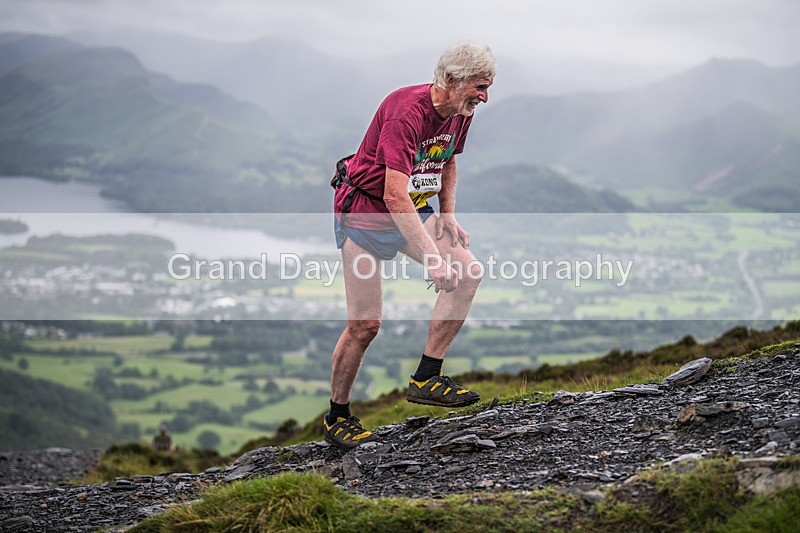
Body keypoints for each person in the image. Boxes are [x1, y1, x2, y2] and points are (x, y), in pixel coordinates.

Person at [324, 42, 496, 449]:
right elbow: (392, 194)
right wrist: (433, 257)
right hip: (365, 212)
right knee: (365, 326)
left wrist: (448, 214)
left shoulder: (461, 111)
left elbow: (448, 160)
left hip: (411, 207)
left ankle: (427, 377)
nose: (485, 96)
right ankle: (337, 417)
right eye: (479, 86)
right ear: (450, 79)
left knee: (468, 272)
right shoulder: (407, 111)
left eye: (488, 87)